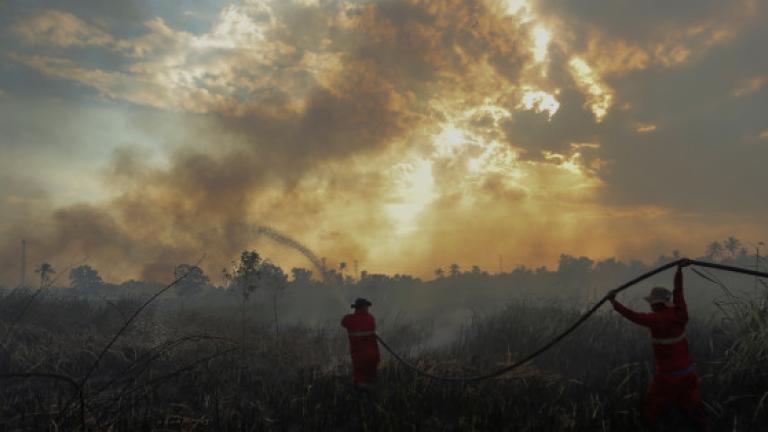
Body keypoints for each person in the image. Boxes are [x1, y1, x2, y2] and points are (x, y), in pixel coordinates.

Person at [607, 259, 708, 431]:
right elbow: (679, 293)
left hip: (667, 378)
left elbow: (632, 315)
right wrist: (678, 271)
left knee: (650, 410)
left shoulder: (654, 319)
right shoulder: (680, 314)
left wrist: (614, 303)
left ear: (655, 304)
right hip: (688, 374)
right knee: (695, 412)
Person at [341, 298, 380, 390]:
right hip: (373, 355)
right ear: (364, 307)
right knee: (371, 379)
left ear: (356, 308)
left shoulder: (349, 319)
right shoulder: (371, 318)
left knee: (359, 381)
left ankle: (361, 399)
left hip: (359, 356)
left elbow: (343, 322)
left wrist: (353, 314)